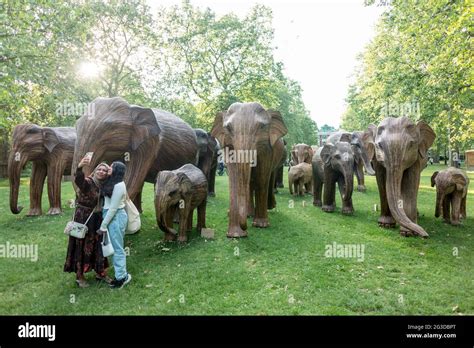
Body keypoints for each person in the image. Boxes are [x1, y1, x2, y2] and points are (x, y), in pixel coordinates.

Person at [64, 157, 112, 288]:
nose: (101, 171)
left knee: (98, 244)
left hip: (97, 218)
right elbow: (79, 180)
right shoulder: (89, 183)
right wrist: (79, 167)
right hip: (84, 218)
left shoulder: (106, 185)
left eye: (104, 170)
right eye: (99, 169)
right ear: (95, 171)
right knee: (82, 245)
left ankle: (100, 272)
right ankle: (80, 276)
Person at [98, 161, 131, 289]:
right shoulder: (111, 181)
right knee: (116, 248)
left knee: (118, 249)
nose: (109, 168)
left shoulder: (119, 185)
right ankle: (120, 275)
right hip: (111, 216)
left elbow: (113, 208)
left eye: (112, 166)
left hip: (115, 216)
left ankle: (122, 278)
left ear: (117, 170)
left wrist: (103, 225)